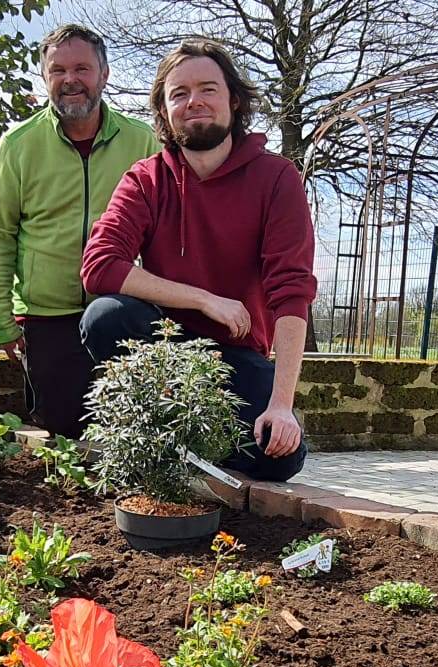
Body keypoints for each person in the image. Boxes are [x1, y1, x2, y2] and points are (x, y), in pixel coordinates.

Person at [78, 38, 313, 482]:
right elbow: (100, 264)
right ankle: (168, 436)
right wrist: (205, 299)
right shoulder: (146, 179)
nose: (194, 102)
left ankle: (204, 440)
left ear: (234, 100)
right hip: (166, 350)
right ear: (164, 111)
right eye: (179, 94)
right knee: (106, 316)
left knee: (278, 460)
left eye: (208, 89)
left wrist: (282, 404)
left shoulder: (276, 178)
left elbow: (292, 291)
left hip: (235, 355)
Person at [0, 24, 161, 438]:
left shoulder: (143, 142)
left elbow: (164, 234)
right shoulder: (19, 144)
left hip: (117, 313)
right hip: (46, 317)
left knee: (128, 431)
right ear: (45, 77)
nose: (70, 80)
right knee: (65, 430)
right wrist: (1, 319)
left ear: (104, 74)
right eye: (57, 70)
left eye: (82, 68)